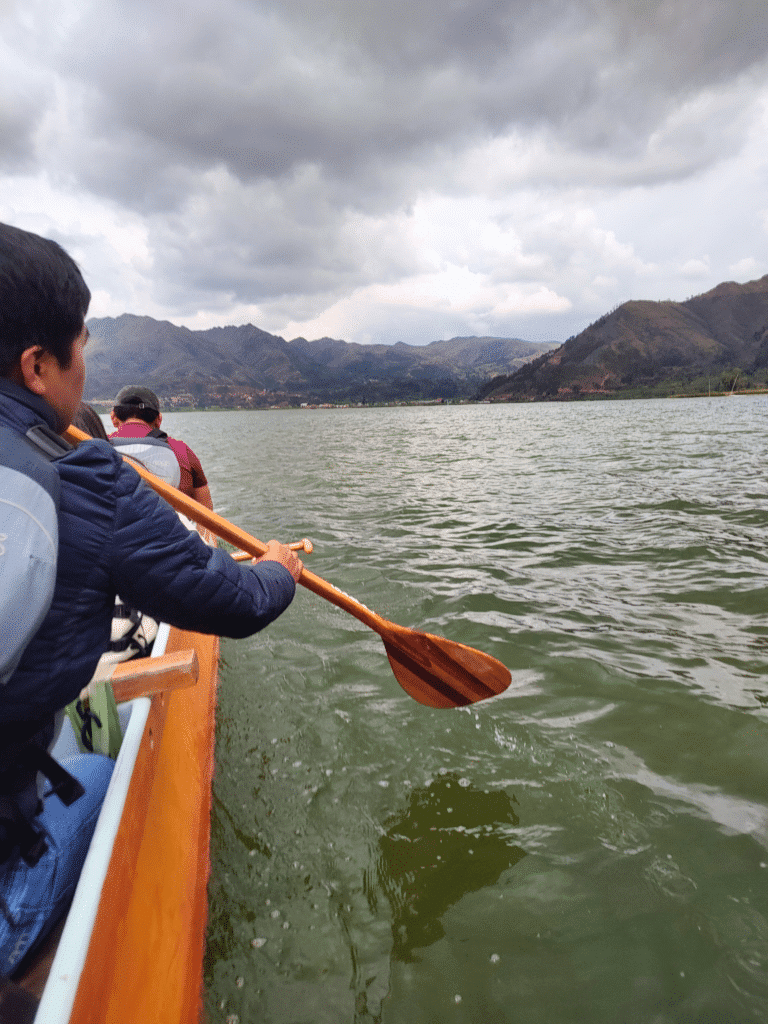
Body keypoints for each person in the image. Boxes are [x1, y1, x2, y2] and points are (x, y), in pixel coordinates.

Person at [0, 221, 303, 976]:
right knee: (96, 775)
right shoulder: (93, 478)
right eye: (81, 353)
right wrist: (278, 569)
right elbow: (230, 598)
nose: (83, 374)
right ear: (38, 366)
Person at [108, 386, 213, 509]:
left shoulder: (95, 447)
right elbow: (207, 516)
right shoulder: (182, 451)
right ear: (159, 419)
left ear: (113, 418)